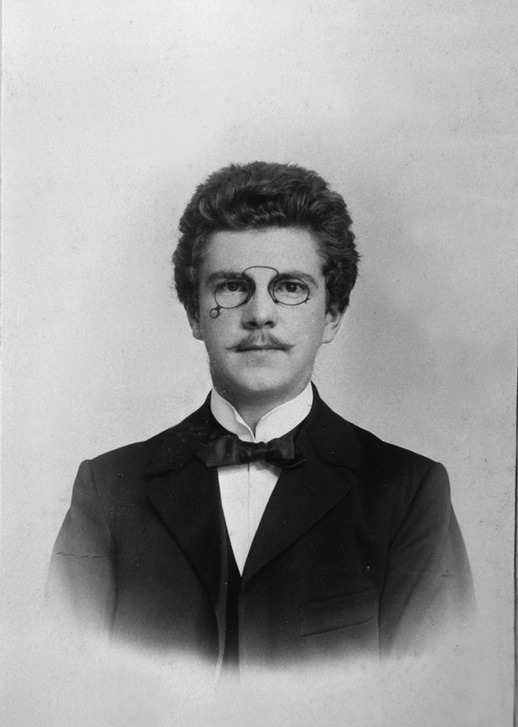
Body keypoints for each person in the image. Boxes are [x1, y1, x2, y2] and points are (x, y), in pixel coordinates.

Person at [48, 161, 474, 670]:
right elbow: (65, 689)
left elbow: (433, 699)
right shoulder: (107, 489)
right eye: (232, 287)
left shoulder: (407, 492)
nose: (260, 315)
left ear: (332, 315)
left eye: (290, 287)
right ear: (194, 314)